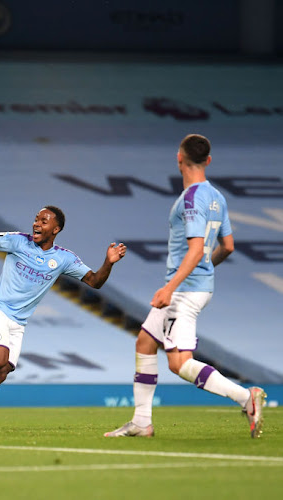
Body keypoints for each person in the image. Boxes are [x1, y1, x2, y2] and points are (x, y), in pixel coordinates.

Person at [104, 134, 266, 439]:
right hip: (195, 285)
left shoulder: (191, 199)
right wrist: (204, 269)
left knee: (179, 363)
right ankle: (141, 423)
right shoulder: (218, 197)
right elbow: (228, 246)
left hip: (184, 290)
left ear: (179, 159)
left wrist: (171, 287)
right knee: (145, 342)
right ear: (208, 161)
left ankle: (247, 398)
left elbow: (194, 250)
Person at [0, 191, 128, 429]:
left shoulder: (63, 258)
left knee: (1, 371)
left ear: (56, 229)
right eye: (36, 219)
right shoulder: (17, 241)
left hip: (18, 324)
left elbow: (94, 281)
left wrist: (108, 263)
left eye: (43, 221)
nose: (36, 223)